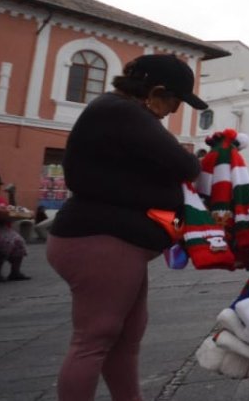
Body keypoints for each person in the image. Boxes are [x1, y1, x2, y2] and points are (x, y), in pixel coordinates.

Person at [48, 54, 208, 400]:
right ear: (157, 91)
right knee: (95, 338)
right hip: (100, 240)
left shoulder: (117, 113)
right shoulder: (123, 111)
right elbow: (184, 163)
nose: (173, 111)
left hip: (115, 242)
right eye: (175, 101)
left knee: (127, 335)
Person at [0, 172, 31, 282]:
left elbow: (12, 210)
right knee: (2, 242)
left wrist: (11, 195)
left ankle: (15, 272)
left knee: (18, 241)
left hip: (2, 228)